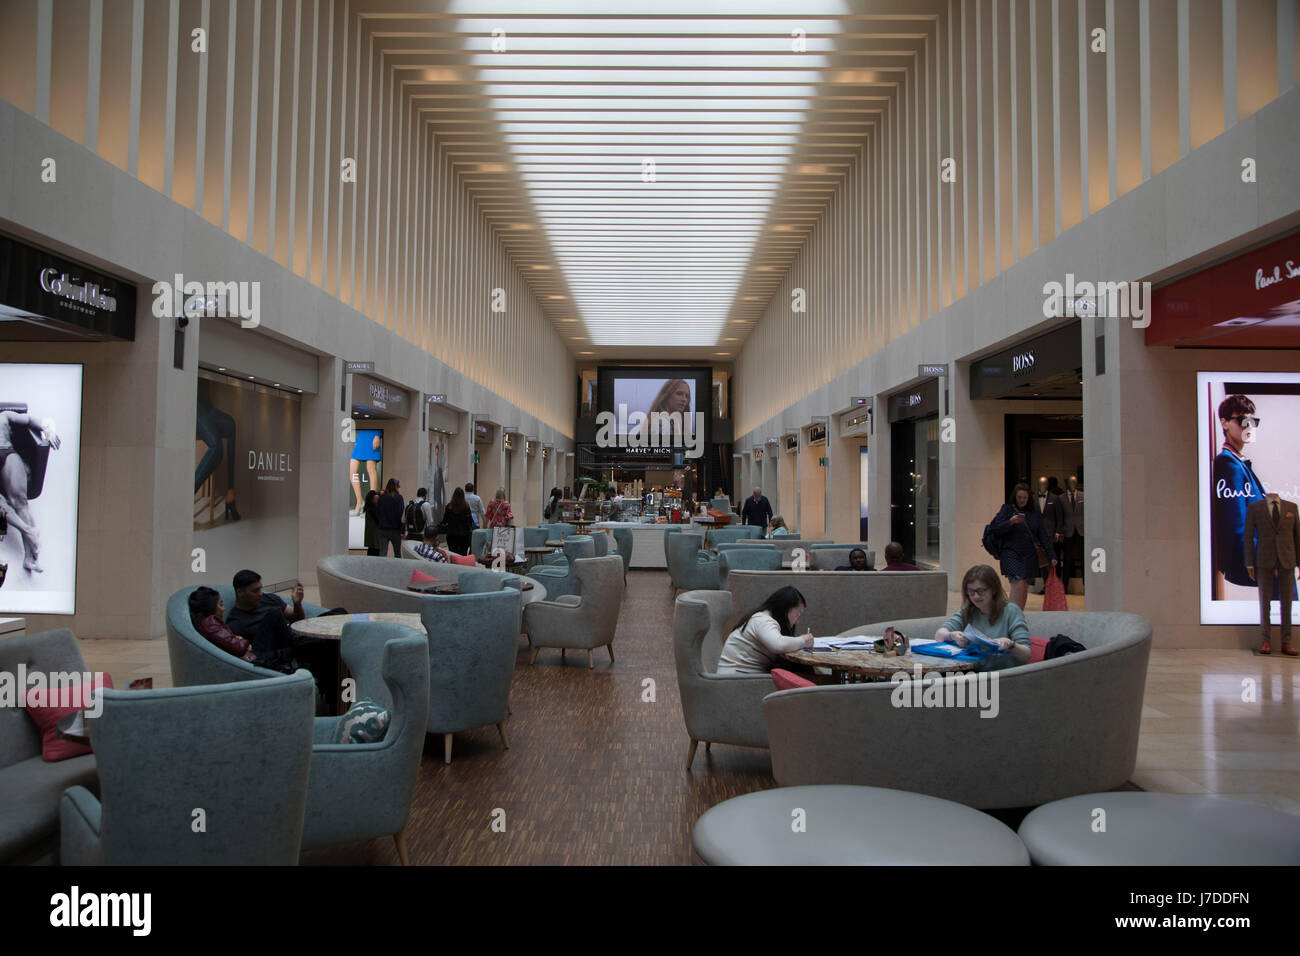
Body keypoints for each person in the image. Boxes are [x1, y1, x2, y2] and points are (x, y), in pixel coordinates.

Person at [225, 570, 338, 696]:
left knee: (338, 613)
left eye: (261, 589)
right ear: (240, 592)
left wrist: (297, 604)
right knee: (274, 614)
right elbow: (252, 655)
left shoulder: (268, 599)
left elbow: (296, 618)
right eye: (255, 591)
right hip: (282, 653)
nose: (260, 594)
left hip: (296, 638)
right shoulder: (236, 622)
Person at [1211, 394, 1266, 588]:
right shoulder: (1228, 463)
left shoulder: (1237, 462)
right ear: (1224, 423)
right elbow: (1238, 525)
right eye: (1243, 420)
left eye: (1253, 421)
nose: (1249, 426)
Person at [935, 565, 1031, 670]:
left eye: (980, 591)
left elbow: (1026, 654)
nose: (976, 596)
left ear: (993, 589)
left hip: (1003, 675)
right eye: (971, 592)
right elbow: (939, 635)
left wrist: (1011, 645)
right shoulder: (968, 609)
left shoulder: (1011, 611)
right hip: (974, 673)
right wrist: (951, 635)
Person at [0, 408, 59, 573]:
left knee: (20, 502)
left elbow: (30, 420)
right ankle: (28, 530)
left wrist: (47, 428)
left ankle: (30, 559)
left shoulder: (5, 415)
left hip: (6, 451)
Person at [986, 482, 1057, 609]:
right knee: (1017, 583)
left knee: (1024, 586)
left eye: (1025, 497)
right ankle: (1011, 618)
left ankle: (1018, 616)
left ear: (1029, 498)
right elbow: (994, 528)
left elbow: (1043, 536)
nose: (1022, 500)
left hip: (1029, 555)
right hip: (1011, 552)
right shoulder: (1007, 509)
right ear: (1015, 496)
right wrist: (1010, 522)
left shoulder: (1034, 513)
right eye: (1019, 497)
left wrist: (1052, 555)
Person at [716, 586, 815, 675]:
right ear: (786, 609)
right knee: (805, 676)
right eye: (798, 614)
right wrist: (803, 640)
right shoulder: (763, 620)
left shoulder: (763, 617)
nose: (797, 620)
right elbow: (779, 645)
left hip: (741, 674)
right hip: (736, 677)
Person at [187, 586, 258, 663]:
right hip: (249, 662)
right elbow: (237, 647)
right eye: (221, 604)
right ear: (211, 607)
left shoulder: (206, 624)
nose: (223, 609)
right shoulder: (210, 624)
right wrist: (244, 642)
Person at [439, 486, 474, 555]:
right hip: (464, 535)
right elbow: (470, 521)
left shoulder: (449, 507)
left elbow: (445, 520)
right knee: (462, 554)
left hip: (451, 535)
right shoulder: (466, 507)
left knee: (452, 554)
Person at [376, 478, 404, 557]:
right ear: (396, 487)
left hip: (383, 529)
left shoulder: (382, 497)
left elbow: (378, 512)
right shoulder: (399, 498)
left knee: (382, 552)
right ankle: (398, 569)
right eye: (398, 486)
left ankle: (381, 568)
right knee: (397, 552)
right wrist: (402, 530)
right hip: (395, 529)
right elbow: (401, 514)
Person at [362, 489, 381, 556]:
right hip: (374, 535)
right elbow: (378, 519)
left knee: (371, 550)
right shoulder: (373, 509)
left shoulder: (368, 508)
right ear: (372, 499)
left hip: (371, 535)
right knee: (375, 551)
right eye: (376, 499)